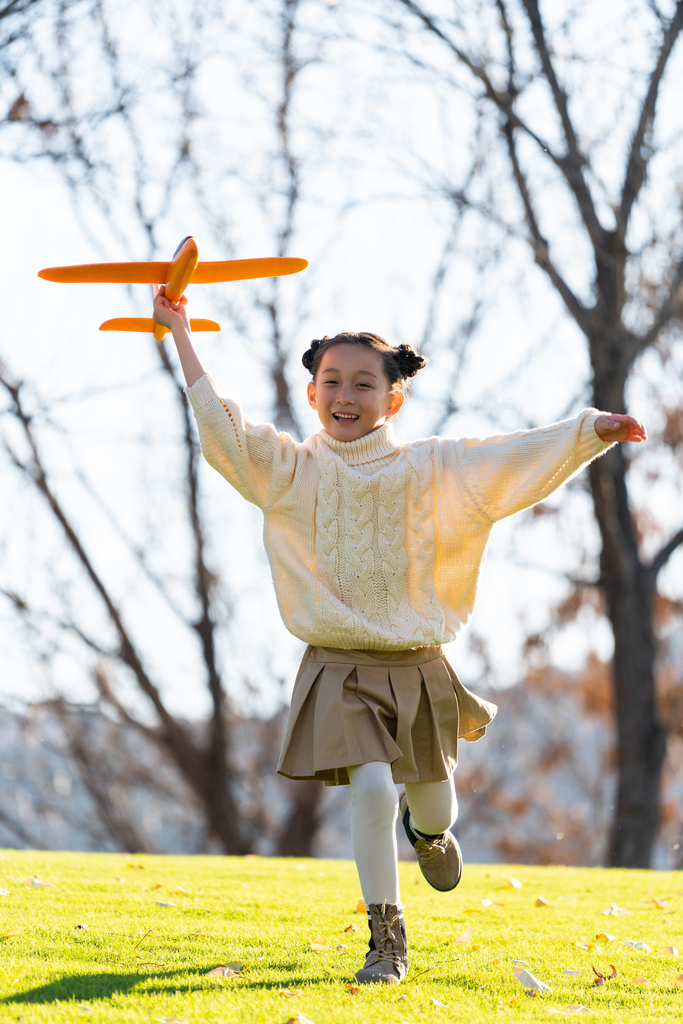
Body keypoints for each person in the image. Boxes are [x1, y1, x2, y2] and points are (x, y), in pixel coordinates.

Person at [153, 286, 646, 986]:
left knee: (430, 801)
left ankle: (429, 832)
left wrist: (586, 431)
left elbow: (508, 460)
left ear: (393, 400)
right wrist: (178, 331)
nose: (344, 396)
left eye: (362, 383)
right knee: (372, 790)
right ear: (312, 392)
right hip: (338, 667)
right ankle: (386, 940)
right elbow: (223, 431)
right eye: (331, 383)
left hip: (418, 666)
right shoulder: (291, 470)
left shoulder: (432, 468)